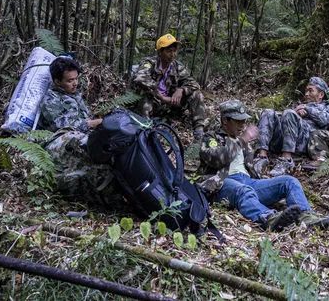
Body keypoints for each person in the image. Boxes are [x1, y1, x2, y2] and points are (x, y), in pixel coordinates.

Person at [198, 100, 329, 230]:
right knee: (244, 190)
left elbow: (251, 168)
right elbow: (216, 159)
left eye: (244, 121)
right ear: (225, 120)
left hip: (248, 181)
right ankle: (269, 218)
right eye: (238, 121)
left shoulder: (243, 142)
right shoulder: (211, 138)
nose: (242, 125)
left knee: (289, 181)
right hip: (222, 184)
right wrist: (242, 140)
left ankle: (306, 217)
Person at [38, 55, 116, 201]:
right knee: (81, 142)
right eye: (70, 80)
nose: (75, 83)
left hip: (78, 139)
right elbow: (61, 126)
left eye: (76, 79)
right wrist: (92, 124)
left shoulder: (76, 96)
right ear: (57, 81)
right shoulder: (50, 99)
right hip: (58, 142)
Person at [133, 34, 209, 139]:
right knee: (145, 95)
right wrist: (159, 95)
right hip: (153, 103)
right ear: (160, 52)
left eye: (174, 51)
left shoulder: (177, 66)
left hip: (170, 104)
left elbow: (194, 83)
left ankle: (199, 130)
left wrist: (181, 90)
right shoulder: (150, 63)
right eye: (169, 51)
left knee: (196, 94)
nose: (172, 54)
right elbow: (140, 78)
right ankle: (147, 130)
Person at [256, 77, 329, 176]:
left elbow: (325, 120)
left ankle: (286, 160)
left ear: (321, 94)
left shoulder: (328, 108)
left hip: (304, 143)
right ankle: (261, 157)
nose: (306, 94)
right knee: (268, 112)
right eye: (306, 91)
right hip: (284, 140)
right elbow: (286, 117)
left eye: (310, 91)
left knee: (289, 113)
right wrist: (296, 111)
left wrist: (307, 110)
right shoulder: (300, 105)